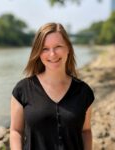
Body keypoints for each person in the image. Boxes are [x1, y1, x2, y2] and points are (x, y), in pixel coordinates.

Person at [10, 22, 95, 150]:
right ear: (38, 52)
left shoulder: (83, 92)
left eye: (58, 46)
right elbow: (16, 131)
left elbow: (86, 131)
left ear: (68, 49)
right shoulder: (22, 90)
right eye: (45, 49)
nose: (52, 54)